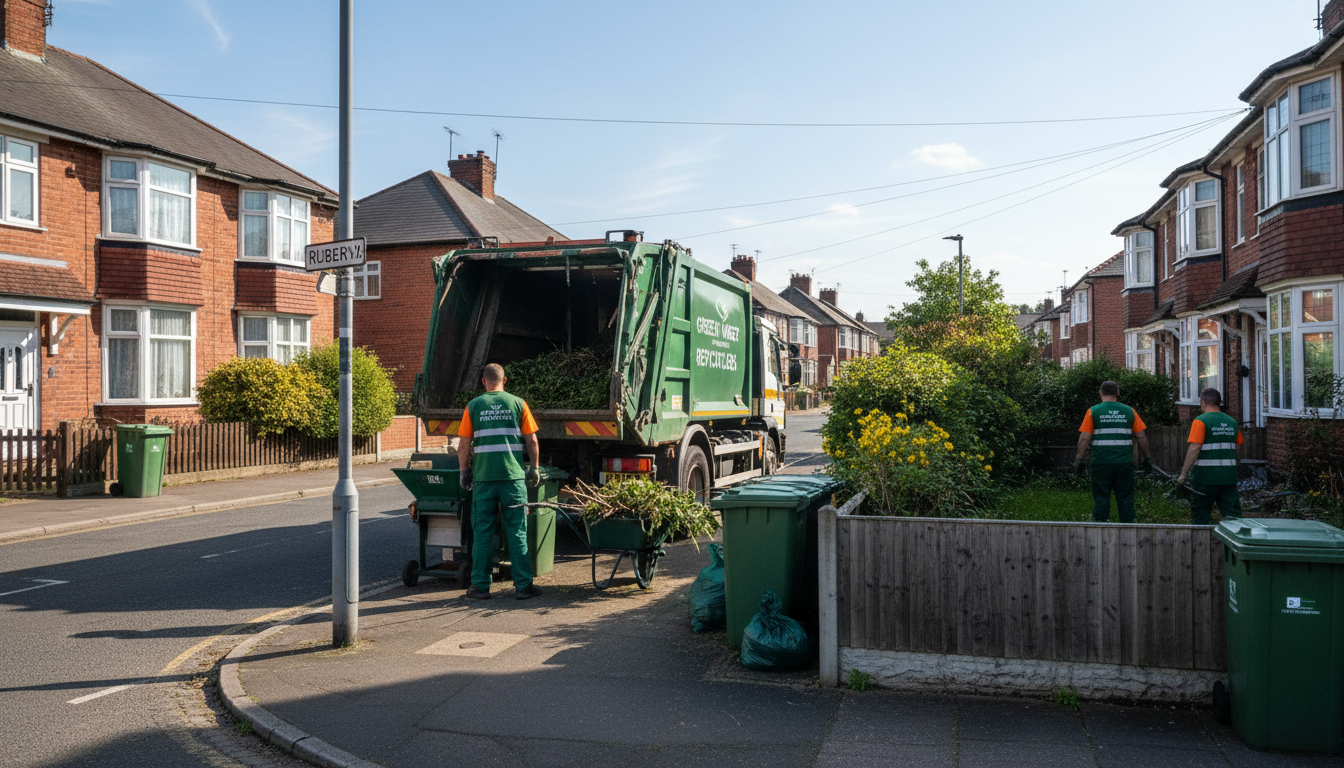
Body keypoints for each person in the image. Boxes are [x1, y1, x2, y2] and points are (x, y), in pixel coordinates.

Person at [457, 363, 544, 600]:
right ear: (504, 381)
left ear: (483, 381)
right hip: (513, 478)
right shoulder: (518, 403)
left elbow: (464, 444)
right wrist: (534, 469)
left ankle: (480, 587)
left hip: (484, 480)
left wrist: (464, 472)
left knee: (483, 532)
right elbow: (532, 441)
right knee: (516, 530)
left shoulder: (473, 406)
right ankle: (524, 586)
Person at [1074, 380, 1153, 523]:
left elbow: (1085, 437)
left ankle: (1102, 527)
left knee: (1101, 497)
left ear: (1101, 394)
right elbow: (1141, 436)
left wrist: (1079, 459)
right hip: (1124, 463)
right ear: (1118, 393)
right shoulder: (1130, 411)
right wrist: (1147, 458)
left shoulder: (1093, 411)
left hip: (1101, 462)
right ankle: (1128, 528)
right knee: (1125, 498)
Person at [1176, 388, 1243, 525]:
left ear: (1203, 403)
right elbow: (1238, 448)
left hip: (1205, 479)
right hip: (1228, 478)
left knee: (1200, 516)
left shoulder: (1200, 421)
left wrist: (1183, 474)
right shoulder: (1232, 422)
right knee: (1234, 518)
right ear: (1219, 403)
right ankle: (1235, 544)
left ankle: (1200, 545)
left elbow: (1194, 448)